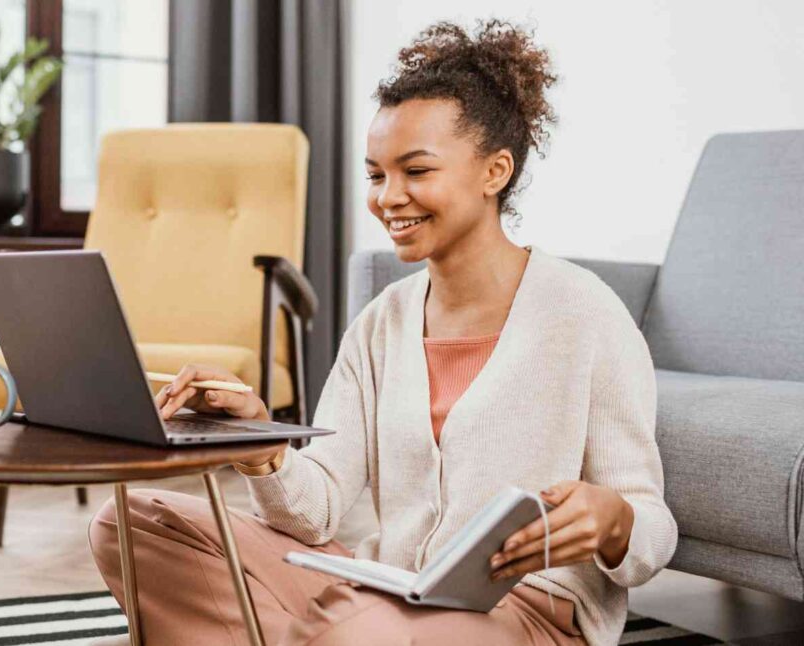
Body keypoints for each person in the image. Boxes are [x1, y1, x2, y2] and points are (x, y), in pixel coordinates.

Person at [89, 19, 677, 646]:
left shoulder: (586, 316)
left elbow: (652, 531)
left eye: (416, 171)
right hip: (386, 590)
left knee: (352, 628)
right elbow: (316, 513)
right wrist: (259, 444)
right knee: (128, 524)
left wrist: (615, 523)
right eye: (375, 175)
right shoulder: (382, 323)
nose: (388, 198)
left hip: (523, 617)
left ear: (495, 172)